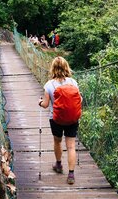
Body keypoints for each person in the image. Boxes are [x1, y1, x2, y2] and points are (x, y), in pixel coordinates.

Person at [38, 56, 81, 185]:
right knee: (71, 146)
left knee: (57, 141)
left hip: (55, 119)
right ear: (66, 67)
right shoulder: (73, 82)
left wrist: (39, 102)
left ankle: (58, 165)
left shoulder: (49, 85)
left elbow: (45, 104)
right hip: (72, 118)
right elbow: (80, 100)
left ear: (53, 68)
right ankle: (71, 174)